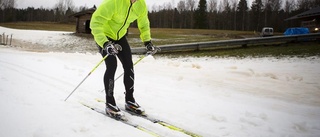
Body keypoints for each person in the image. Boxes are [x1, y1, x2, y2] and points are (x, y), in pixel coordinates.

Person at [90, 0, 158, 118]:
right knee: (112, 65)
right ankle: (110, 103)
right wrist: (105, 44)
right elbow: (95, 22)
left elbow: (143, 23)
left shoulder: (140, 5)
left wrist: (147, 42)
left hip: (120, 37)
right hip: (104, 36)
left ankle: (130, 100)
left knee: (129, 65)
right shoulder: (114, 2)